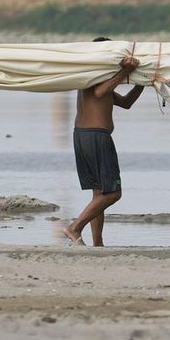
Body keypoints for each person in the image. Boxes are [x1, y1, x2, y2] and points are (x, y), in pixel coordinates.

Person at [62, 39, 146, 246]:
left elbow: (126, 103)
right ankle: (74, 228)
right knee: (114, 193)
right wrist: (125, 71)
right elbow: (100, 92)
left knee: (99, 193)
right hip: (95, 137)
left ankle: (97, 243)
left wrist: (143, 82)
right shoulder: (93, 76)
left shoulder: (94, 77)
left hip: (83, 135)